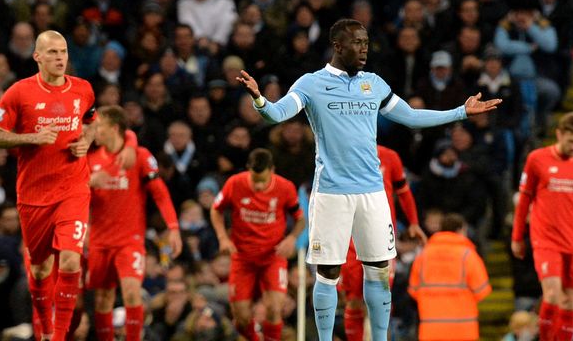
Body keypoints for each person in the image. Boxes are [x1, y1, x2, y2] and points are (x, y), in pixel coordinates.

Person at [236, 18, 501, 341]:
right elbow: (277, 114)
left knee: (378, 270)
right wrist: (260, 101)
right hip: (332, 193)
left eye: (366, 42)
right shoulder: (311, 83)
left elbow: (412, 118)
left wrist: (461, 111)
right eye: (357, 43)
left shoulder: (373, 83)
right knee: (328, 273)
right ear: (337, 46)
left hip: (373, 193)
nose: (364, 49)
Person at [0, 30, 124, 341]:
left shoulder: (82, 89)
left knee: (72, 258)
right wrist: (30, 138)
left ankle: (58, 336)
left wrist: (85, 142)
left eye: (63, 52)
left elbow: (91, 121)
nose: (60, 58)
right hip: (34, 195)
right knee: (39, 271)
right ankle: (44, 325)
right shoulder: (18, 94)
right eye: (52, 53)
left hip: (73, 188)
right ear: (37, 57)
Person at [511, 112, 573, 341]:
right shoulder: (537, 159)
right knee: (552, 294)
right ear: (559, 134)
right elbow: (524, 201)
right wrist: (517, 237)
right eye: (571, 141)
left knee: (569, 301)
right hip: (546, 238)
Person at [86, 105, 182, 341]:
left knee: (131, 292)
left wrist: (174, 228)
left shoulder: (139, 156)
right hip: (99, 240)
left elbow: (160, 193)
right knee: (102, 298)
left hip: (130, 240)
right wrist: (87, 184)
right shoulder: (91, 159)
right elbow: (75, 197)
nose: (95, 131)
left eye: (100, 127)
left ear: (114, 128)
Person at [210, 148, 306, 341]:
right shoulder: (235, 183)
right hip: (243, 258)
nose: (259, 186)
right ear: (248, 170)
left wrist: (291, 238)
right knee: (241, 318)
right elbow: (215, 209)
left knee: (274, 307)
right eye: (255, 180)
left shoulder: (285, 188)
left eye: (262, 180)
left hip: (273, 257)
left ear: (273, 170)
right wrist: (222, 237)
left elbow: (301, 219)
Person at [340, 144, 427, 341]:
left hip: (381, 238)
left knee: (380, 300)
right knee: (353, 301)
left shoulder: (389, 156)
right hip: (350, 238)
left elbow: (403, 191)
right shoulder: (340, 153)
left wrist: (413, 221)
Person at [408, 213, 491, 341]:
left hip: (430, 330)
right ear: (460, 230)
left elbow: (413, 290)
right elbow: (483, 291)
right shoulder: (468, 256)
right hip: (464, 330)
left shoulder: (423, 256)